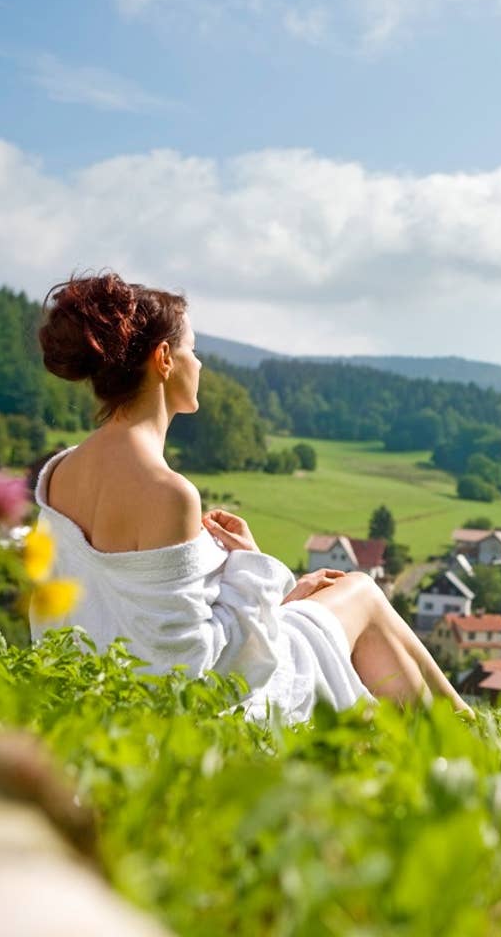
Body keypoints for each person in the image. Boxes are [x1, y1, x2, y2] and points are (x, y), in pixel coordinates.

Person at [30, 272, 470, 722]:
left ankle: (462, 732)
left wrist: (278, 597)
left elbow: (125, 618)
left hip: (105, 692)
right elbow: (188, 670)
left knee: (346, 594)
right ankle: (462, 736)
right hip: (205, 709)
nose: (199, 365)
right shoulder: (168, 494)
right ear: (163, 359)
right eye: (192, 350)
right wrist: (252, 571)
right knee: (359, 591)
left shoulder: (60, 473)